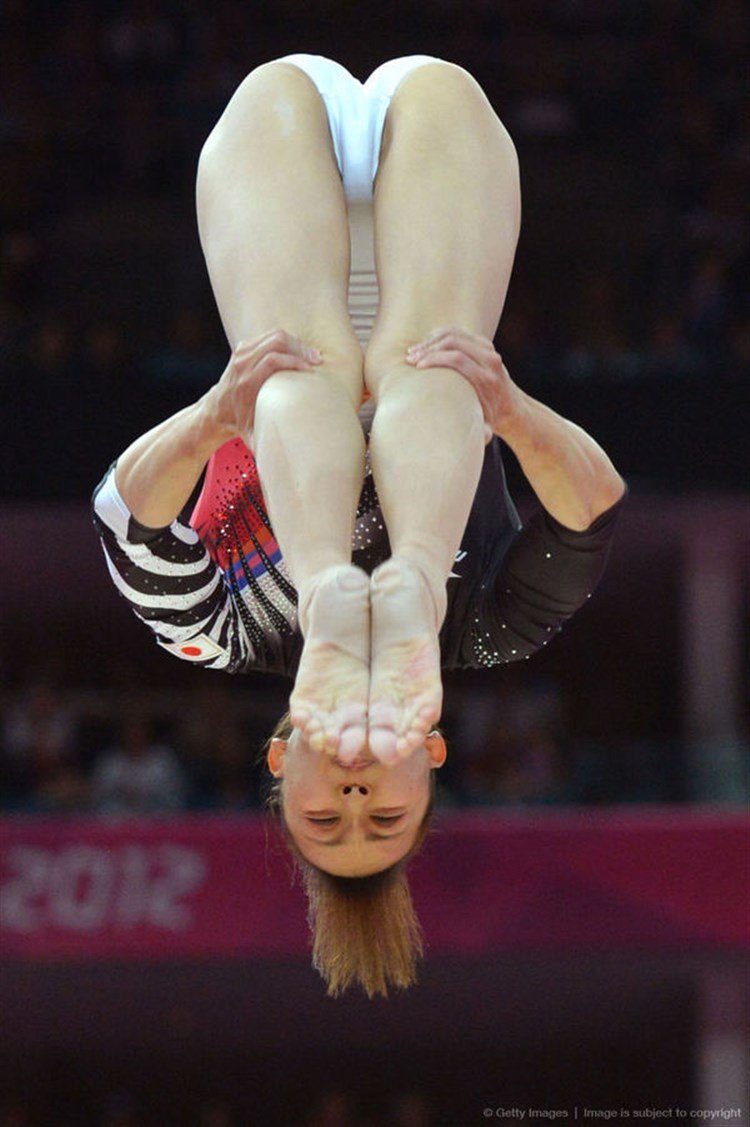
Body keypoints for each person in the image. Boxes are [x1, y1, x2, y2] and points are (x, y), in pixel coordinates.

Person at [93, 54, 626, 996]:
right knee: (439, 373)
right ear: (428, 761)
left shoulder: (214, 637)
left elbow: (125, 518)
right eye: (382, 819)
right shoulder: (496, 632)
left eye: (323, 820)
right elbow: (591, 508)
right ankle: (414, 575)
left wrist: (219, 412)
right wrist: (509, 408)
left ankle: (328, 580)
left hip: (285, 252)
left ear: (275, 765)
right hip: (432, 271)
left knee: (297, 378)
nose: (353, 798)